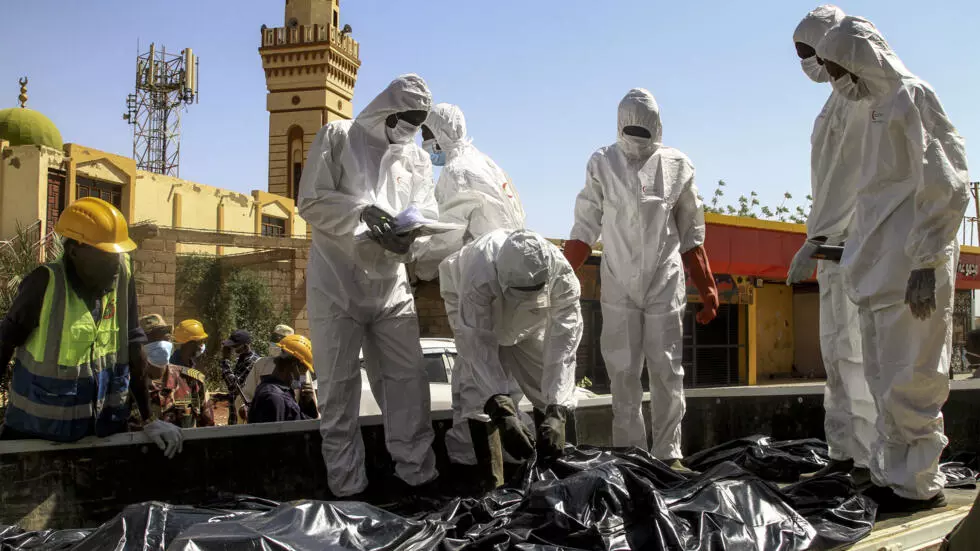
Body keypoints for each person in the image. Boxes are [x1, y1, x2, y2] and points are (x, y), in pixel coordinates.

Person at [817, 16, 969, 512]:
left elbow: (946, 180)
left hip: (912, 270)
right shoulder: (874, 110)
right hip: (879, 273)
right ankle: (890, 477)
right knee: (883, 381)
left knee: (913, 379)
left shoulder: (912, 97)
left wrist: (927, 259)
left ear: (861, 59)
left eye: (839, 70)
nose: (838, 80)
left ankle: (918, 485)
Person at [298, 74, 440, 498]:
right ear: (386, 110)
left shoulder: (415, 159)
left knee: (408, 383)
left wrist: (412, 239)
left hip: (391, 286)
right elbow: (310, 200)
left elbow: (426, 212)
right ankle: (349, 492)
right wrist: (361, 211)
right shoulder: (338, 137)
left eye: (418, 122)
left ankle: (417, 480)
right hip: (336, 284)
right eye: (405, 119)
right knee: (339, 390)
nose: (410, 129)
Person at [564, 89, 718, 472]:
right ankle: (630, 456)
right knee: (623, 372)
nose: (636, 137)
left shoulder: (677, 165)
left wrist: (708, 289)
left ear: (656, 127)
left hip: (664, 281)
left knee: (667, 369)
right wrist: (560, 278)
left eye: (642, 129)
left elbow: (691, 233)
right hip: (619, 283)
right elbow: (584, 228)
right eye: (630, 129)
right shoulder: (603, 163)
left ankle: (669, 454)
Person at [0, 197, 181, 456]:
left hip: (104, 434)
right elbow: (4, 344)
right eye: (106, 256)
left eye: (117, 254)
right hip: (37, 438)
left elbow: (133, 344)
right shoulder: (44, 284)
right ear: (75, 251)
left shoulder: (121, 274)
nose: (115, 264)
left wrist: (149, 418)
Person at [412, 102, 532, 471]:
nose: (425, 144)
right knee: (506, 375)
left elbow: (447, 235)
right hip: (512, 277)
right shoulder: (488, 164)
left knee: (472, 377)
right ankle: (519, 461)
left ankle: (472, 467)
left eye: (427, 135)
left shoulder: (456, 171)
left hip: (482, 277)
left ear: (440, 133)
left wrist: (414, 259)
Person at [786, 5, 876, 483]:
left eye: (811, 52)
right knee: (836, 354)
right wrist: (819, 239)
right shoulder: (832, 106)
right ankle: (843, 451)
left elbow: (847, 179)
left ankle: (869, 458)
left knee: (859, 354)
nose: (808, 63)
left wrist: (818, 236)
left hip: (856, 242)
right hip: (832, 246)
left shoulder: (862, 99)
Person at [439, 229, 583, 490]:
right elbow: (477, 345)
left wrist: (558, 410)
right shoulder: (478, 272)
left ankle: (561, 479)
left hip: (530, 323)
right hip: (474, 308)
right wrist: (501, 409)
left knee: (547, 384)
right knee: (476, 390)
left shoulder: (562, 275)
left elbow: (564, 345)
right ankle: (492, 487)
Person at [140, 314, 214, 433]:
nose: (161, 344)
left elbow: (208, 429)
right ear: (139, 347)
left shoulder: (193, 380)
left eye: (165, 338)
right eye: (152, 340)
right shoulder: (128, 387)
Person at [248, 335, 319, 424]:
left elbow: (302, 422)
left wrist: (307, 403)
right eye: (303, 371)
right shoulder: (274, 397)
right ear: (294, 366)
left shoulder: (281, 393)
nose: (303, 378)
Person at [220, 329, 260, 425]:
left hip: (244, 419)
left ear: (245, 346)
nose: (232, 348)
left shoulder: (252, 361)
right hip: (235, 416)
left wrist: (225, 360)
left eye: (235, 346)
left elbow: (234, 386)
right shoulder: (242, 359)